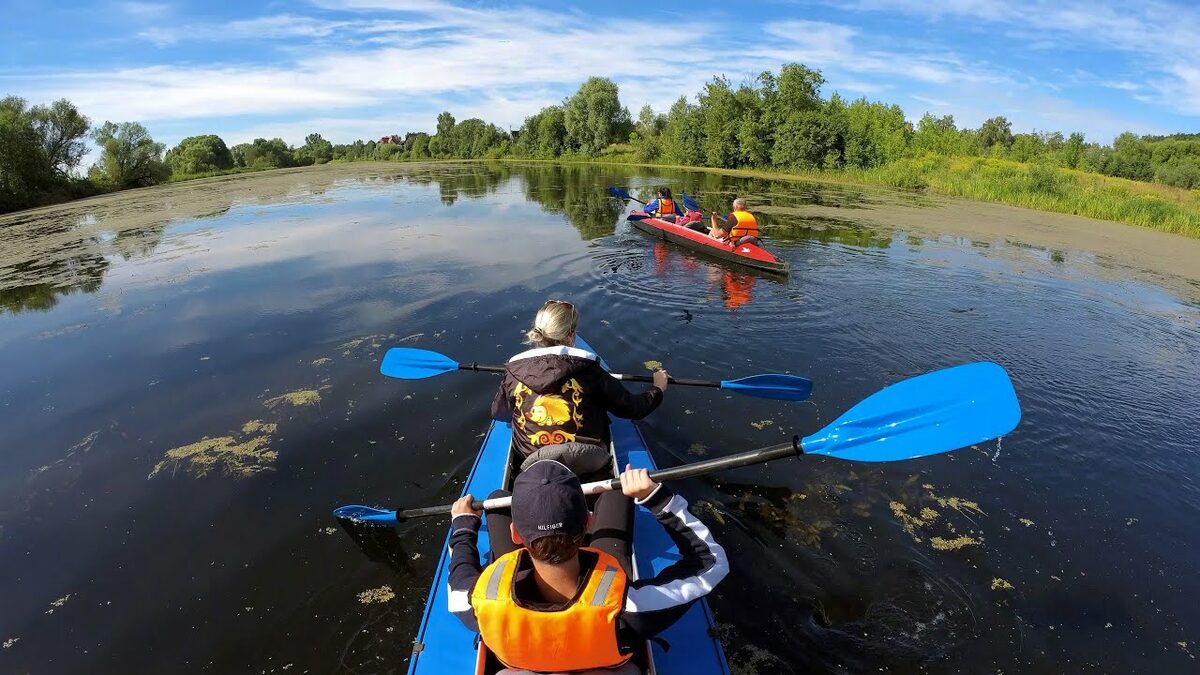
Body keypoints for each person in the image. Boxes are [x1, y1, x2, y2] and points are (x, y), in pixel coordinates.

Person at [447, 460, 729, 675]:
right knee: (616, 491)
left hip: (522, 661)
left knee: (497, 499)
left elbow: (461, 568)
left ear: (516, 536)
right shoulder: (630, 609)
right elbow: (710, 562)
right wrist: (656, 497)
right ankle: (612, 491)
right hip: (605, 657)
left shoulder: (474, 602)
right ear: (588, 524)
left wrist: (463, 526)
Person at [491, 300, 669, 474]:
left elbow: (500, 413)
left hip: (533, 463)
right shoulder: (591, 372)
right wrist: (658, 388)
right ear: (571, 336)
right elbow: (633, 409)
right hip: (589, 461)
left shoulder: (513, 374)